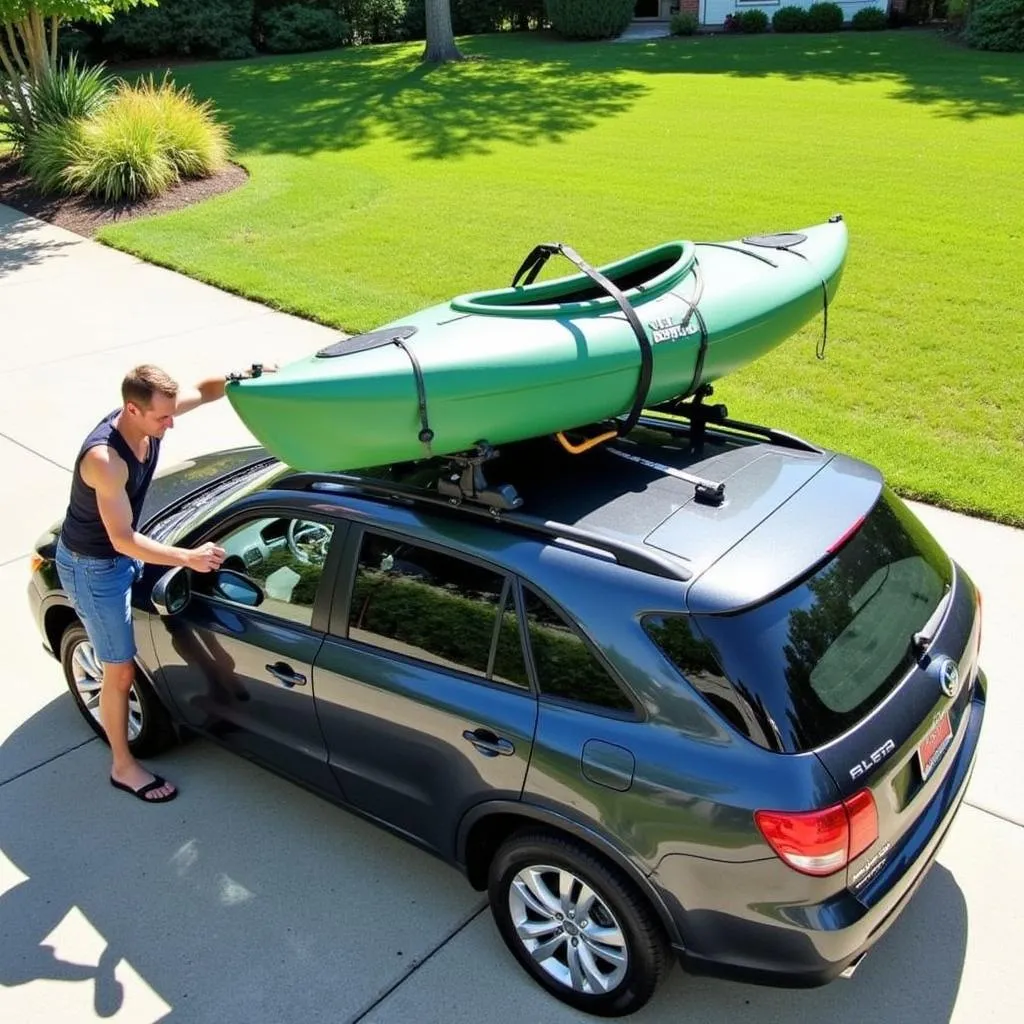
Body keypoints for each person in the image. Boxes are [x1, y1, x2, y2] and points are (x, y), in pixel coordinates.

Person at [54, 362, 273, 804]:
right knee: (118, 672)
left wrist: (244, 377)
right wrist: (188, 556)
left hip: (125, 552)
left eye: (172, 415)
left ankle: (216, 685)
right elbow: (121, 538)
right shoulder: (105, 461)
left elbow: (205, 391)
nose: (171, 424)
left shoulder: (153, 416)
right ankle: (123, 765)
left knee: (175, 605)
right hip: (95, 568)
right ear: (132, 410)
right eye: (161, 418)